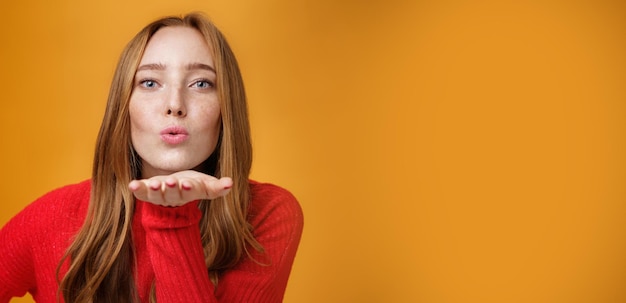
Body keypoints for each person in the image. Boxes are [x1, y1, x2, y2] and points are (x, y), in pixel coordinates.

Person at [0, 12, 303, 303]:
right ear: (124, 106)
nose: (174, 105)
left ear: (227, 108)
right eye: (149, 83)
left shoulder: (266, 214)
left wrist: (172, 215)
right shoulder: (56, 217)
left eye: (201, 83)